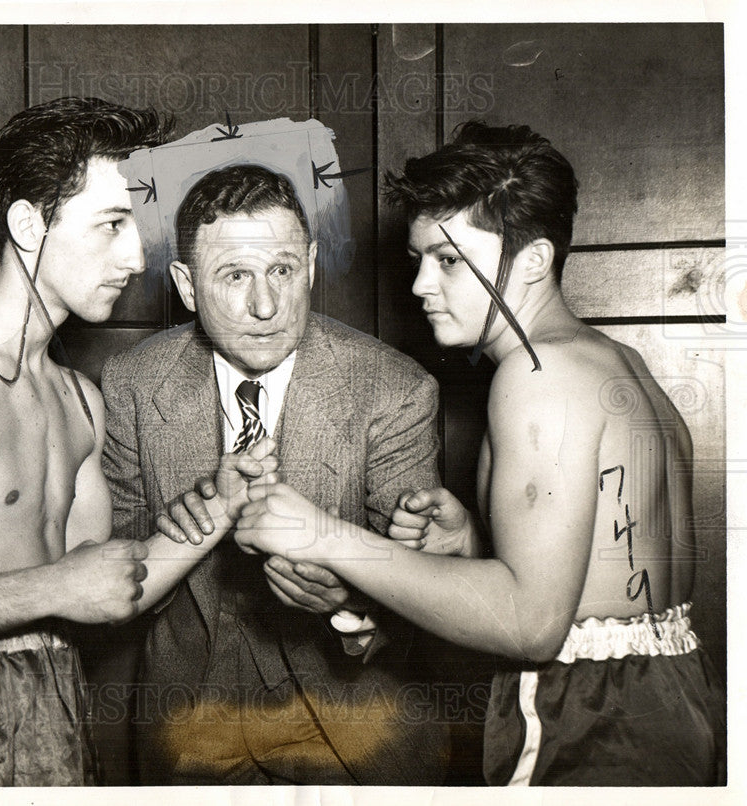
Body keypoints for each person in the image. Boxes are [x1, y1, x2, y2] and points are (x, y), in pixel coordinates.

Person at [234, 122, 726, 786]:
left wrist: (323, 535)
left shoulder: (537, 374)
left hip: (584, 718)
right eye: (418, 261)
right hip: (671, 700)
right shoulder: (617, 364)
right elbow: (593, 597)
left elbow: (532, 627)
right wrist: (472, 546)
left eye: (448, 261)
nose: (419, 287)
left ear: (533, 261)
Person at [0, 97, 276, 787]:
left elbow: (103, 586)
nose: (137, 253)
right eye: (113, 224)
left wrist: (219, 509)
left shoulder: (77, 400)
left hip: (57, 714)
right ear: (27, 223)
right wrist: (55, 587)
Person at [101, 163, 449, 785]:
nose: (265, 306)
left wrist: (351, 603)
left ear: (311, 265)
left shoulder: (394, 389)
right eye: (234, 275)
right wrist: (184, 522)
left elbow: (430, 584)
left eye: (282, 271)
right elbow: (113, 577)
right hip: (190, 744)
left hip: (353, 744)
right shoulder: (131, 385)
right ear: (185, 284)